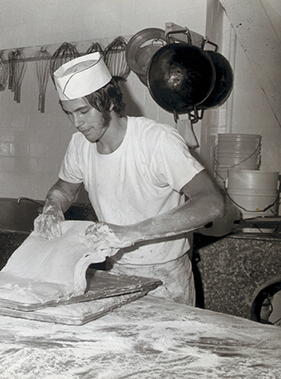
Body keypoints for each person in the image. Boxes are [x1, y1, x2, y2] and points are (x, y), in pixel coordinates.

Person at [33, 52, 225, 305]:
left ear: (108, 103)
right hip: (116, 272)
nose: (76, 123)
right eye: (69, 113)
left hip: (166, 277)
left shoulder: (156, 141)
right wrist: (52, 208)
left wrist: (130, 233)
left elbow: (212, 203)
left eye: (83, 111)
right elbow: (64, 190)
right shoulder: (80, 145)